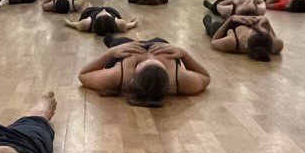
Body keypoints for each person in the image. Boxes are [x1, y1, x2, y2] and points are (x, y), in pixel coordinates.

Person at [78, 37, 210, 107]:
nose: (151, 57)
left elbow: (83, 75)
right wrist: (184, 55)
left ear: (133, 76)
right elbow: (205, 77)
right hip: (160, 44)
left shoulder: (120, 75)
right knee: (160, 39)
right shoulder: (178, 79)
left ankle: (110, 39)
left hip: (127, 51)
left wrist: (112, 52)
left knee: (115, 41)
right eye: (158, 64)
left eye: (147, 63)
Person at [204, 14, 283, 61]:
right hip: (239, 25)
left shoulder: (231, 42)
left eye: (253, 31)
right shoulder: (277, 45)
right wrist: (266, 22)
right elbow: (271, 36)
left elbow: (213, 42)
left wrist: (230, 19)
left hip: (228, 29)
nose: (252, 29)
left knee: (214, 26)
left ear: (246, 44)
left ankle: (207, 21)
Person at [65, 5, 138, 36]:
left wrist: (67, 22)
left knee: (90, 8)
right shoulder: (121, 24)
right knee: (93, 7)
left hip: (93, 12)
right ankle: (100, 5)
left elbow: (73, 24)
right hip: (109, 11)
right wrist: (134, 22)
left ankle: (93, 6)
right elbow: (131, 24)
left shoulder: (85, 24)